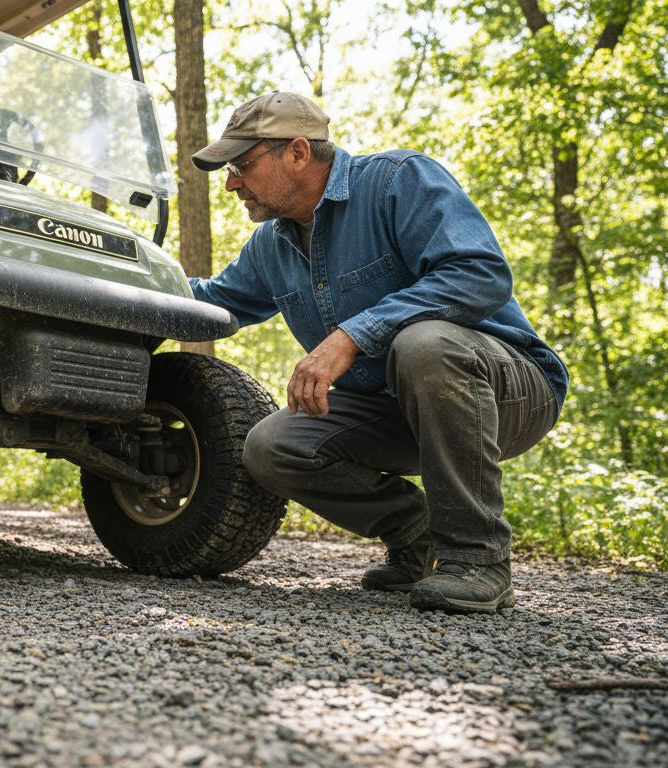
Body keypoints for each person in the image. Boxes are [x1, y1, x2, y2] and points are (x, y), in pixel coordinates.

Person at [188, 91, 568, 613]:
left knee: (423, 345)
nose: (231, 183)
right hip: (396, 411)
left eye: (242, 166)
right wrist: (120, 279)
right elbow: (213, 301)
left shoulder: (397, 181)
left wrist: (351, 336)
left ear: (297, 152)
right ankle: (417, 534)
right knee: (271, 445)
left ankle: (479, 560)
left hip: (509, 391)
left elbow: (481, 274)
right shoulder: (271, 246)